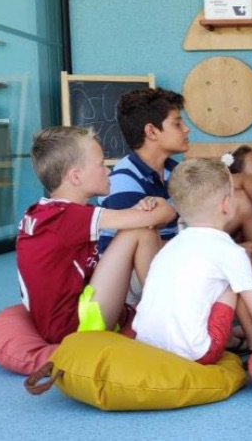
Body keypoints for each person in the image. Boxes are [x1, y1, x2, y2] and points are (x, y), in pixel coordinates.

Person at [99, 88, 252, 319]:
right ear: (151, 132)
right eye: (177, 124)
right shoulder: (124, 180)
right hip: (142, 277)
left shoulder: (174, 170)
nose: (186, 129)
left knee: (240, 200)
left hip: (178, 255)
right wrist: (224, 252)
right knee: (231, 261)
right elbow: (137, 249)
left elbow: (245, 180)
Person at [17, 126, 176, 344]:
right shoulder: (66, 216)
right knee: (140, 231)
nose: (108, 171)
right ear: (75, 176)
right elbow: (161, 215)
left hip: (65, 318)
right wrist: (157, 204)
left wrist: (142, 211)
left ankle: (160, 308)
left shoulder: (46, 211)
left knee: (138, 227)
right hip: (75, 328)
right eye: (101, 164)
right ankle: (166, 315)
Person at [133, 158, 252, 362]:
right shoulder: (230, 252)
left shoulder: (169, 248)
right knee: (234, 283)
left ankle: (241, 340)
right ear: (226, 205)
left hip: (146, 347)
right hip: (197, 353)